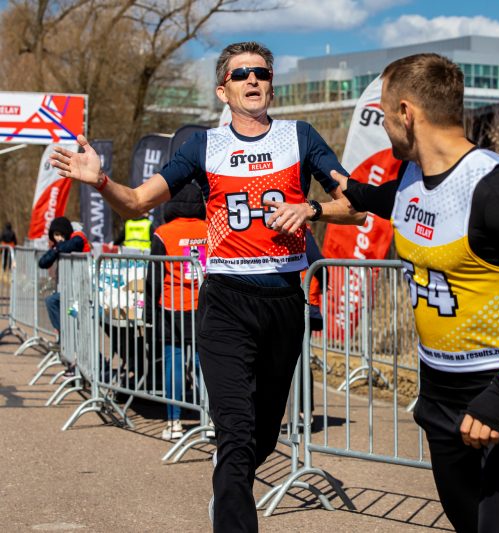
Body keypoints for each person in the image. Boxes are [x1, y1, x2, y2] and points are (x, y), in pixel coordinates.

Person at [49, 41, 363, 532]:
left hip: (283, 301)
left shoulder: (300, 138)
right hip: (226, 303)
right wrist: (100, 180)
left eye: (260, 73)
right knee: (235, 434)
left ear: (271, 86)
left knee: (259, 437)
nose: (252, 80)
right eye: (241, 75)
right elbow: (134, 202)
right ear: (223, 89)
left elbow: (357, 204)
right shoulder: (202, 147)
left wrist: (312, 208)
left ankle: (228, 492)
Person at [331, 53, 499, 533]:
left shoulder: (496, 188)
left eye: (386, 116)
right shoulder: (411, 179)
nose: (386, 127)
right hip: (440, 390)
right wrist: (314, 210)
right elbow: (379, 199)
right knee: (469, 523)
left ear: (407, 114)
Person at [144, 182, 207, 440]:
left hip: (172, 307)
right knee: (208, 366)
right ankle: (211, 419)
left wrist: (149, 314)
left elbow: (154, 278)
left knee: (174, 363)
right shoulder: (210, 230)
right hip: (205, 306)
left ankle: (174, 422)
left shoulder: (163, 233)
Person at [38, 217, 91, 377]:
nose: (58, 239)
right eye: (55, 235)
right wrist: (55, 250)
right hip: (70, 291)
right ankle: (67, 345)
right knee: (68, 320)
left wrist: (57, 249)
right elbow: (43, 262)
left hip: (83, 289)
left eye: (60, 235)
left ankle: (88, 365)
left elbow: (70, 246)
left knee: (80, 328)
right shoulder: (58, 246)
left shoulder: (78, 237)